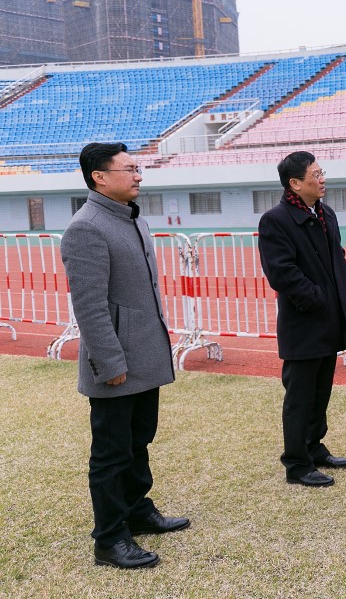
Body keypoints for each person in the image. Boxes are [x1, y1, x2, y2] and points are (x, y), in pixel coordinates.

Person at [61, 142, 189, 570]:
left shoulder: (132, 218)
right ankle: (110, 538)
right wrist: (110, 364)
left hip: (145, 356)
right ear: (99, 176)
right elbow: (91, 307)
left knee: (139, 441)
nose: (138, 176)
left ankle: (138, 510)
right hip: (116, 363)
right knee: (112, 453)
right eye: (130, 169)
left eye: (138, 169)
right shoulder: (87, 227)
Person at [258, 152, 346, 488]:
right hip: (304, 322)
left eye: (322, 172)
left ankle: (315, 448)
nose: (322, 179)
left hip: (330, 319)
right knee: (300, 396)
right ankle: (297, 463)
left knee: (321, 392)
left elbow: (337, 256)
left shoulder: (325, 212)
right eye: (316, 174)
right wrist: (318, 299)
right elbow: (282, 274)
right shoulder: (276, 220)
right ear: (295, 183)